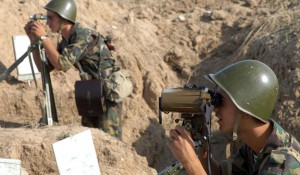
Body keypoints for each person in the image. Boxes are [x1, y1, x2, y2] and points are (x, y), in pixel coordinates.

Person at [168, 60, 300, 174]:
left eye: (221, 101)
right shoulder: (255, 148)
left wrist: (190, 162)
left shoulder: (282, 164)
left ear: (245, 110)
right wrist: (202, 151)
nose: (216, 108)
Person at [23, 0, 123, 139]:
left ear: (64, 19)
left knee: (110, 141)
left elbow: (61, 64)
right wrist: (34, 40)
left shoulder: (83, 35)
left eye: (51, 18)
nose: (47, 23)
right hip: (92, 91)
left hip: (107, 93)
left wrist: (44, 38)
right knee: (91, 139)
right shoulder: (66, 41)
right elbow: (43, 68)